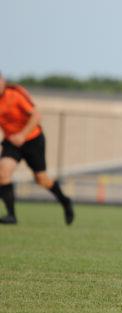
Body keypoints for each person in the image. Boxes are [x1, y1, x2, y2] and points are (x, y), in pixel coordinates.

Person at [0, 71, 74, 225]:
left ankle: (65, 201)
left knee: (41, 179)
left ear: (3, 81)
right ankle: (11, 216)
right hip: (12, 141)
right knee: (3, 172)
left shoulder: (15, 94)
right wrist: (15, 138)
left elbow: (36, 116)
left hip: (32, 139)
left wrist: (22, 135)